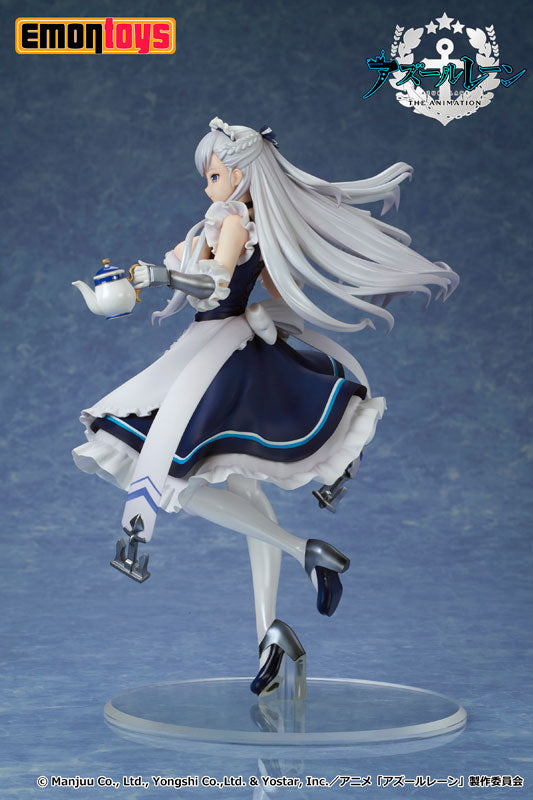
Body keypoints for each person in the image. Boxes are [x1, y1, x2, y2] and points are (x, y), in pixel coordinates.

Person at [73, 117, 458, 695]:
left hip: (218, 361)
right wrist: (141, 282)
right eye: (207, 177)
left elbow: (217, 286)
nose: (207, 186)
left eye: (214, 175)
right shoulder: (219, 223)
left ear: (241, 176)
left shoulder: (234, 222)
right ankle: (271, 628)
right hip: (210, 350)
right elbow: (268, 289)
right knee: (246, 499)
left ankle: (305, 554)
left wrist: (168, 277)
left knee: (175, 478)